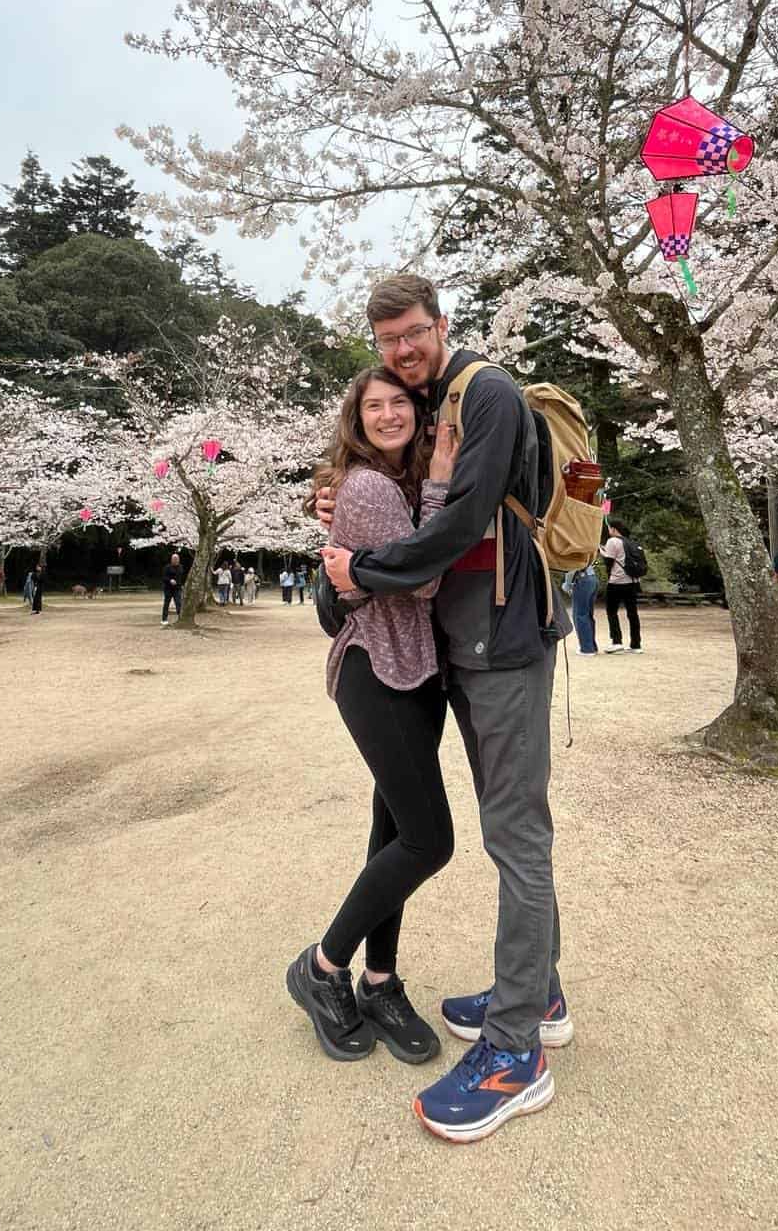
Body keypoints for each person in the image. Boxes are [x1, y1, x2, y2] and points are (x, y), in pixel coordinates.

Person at [319, 274, 571, 1144]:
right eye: (388, 341)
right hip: (462, 649)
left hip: (504, 644)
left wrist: (363, 571)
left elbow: (462, 522)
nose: (402, 352)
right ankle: (538, 993)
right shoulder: (432, 406)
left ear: (442, 324)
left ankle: (515, 1049)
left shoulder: (487, 392)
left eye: (414, 333)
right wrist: (340, 520)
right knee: (508, 829)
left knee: (515, 835)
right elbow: (393, 505)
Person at [287, 366, 457, 1066]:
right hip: (377, 672)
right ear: (356, 423)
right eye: (373, 407)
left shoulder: (395, 484)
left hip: (416, 671)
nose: (389, 415)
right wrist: (441, 482)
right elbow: (425, 577)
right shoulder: (366, 485)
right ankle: (323, 966)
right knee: (429, 841)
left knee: (392, 831)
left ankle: (380, 981)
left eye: (399, 403)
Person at [600, 520, 643, 653]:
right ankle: (636, 645)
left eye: (609, 528)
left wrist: (601, 551)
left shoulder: (612, 541)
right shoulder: (631, 542)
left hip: (617, 582)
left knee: (612, 612)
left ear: (614, 529)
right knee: (632, 613)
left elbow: (609, 562)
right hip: (633, 582)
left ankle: (617, 642)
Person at [563, 563, 599, 655]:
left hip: (582, 579)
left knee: (580, 615)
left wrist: (567, 585)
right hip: (592, 577)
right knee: (588, 615)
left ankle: (587, 649)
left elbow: (571, 568)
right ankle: (591, 646)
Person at [161, 554, 183, 625]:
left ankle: (180, 618)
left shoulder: (181, 567)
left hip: (177, 589)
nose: (176, 560)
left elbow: (182, 577)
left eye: (177, 559)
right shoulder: (167, 567)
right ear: (171, 560)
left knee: (178, 603)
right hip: (168, 589)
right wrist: (170, 580)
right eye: (174, 559)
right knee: (166, 603)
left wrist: (182, 584)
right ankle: (164, 619)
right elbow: (164, 577)